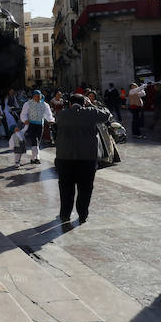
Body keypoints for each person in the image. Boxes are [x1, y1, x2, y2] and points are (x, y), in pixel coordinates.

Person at [54, 94, 111, 224]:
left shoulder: (61, 114)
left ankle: (65, 215)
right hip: (87, 158)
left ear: (69, 104)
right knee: (85, 188)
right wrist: (92, 105)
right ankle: (83, 215)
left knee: (66, 188)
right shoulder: (91, 112)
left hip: (65, 157)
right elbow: (107, 115)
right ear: (84, 103)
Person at [19, 90, 54, 164]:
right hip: (31, 124)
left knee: (37, 141)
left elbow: (48, 114)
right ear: (33, 96)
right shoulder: (28, 104)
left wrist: (50, 120)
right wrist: (24, 120)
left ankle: (32, 158)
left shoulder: (44, 104)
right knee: (34, 140)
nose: (38, 98)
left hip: (40, 125)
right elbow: (23, 114)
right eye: (36, 96)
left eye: (39, 96)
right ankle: (37, 157)